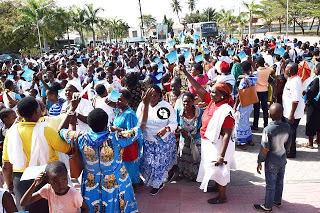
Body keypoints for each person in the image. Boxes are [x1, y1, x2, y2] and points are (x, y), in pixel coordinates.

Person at [58, 91, 150, 212]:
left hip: (91, 184)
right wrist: (146, 105)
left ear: (89, 124)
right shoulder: (117, 138)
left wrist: (72, 108)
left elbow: (61, 130)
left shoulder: (80, 138)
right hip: (116, 182)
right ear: (107, 124)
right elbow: (140, 128)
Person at [2, 97, 71, 212]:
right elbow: (67, 149)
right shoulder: (46, 130)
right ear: (36, 112)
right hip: (46, 178)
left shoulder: (11, 132)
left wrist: (10, 186)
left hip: (21, 180)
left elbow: (6, 165)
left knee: (25, 209)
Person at [181, 66, 236, 204]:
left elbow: (227, 135)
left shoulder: (226, 111)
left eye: (213, 93)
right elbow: (199, 89)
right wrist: (187, 73)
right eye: (210, 92)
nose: (210, 94)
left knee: (220, 169)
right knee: (213, 168)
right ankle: (217, 186)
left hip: (218, 145)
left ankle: (222, 197)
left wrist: (221, 155)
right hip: (209, 142)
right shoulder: (214, 101)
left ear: (222, 96)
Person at [137, 84, 178, 195]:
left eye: (154, 96)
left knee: (158, 165)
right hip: (148, 140)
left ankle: (158, 184)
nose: (152, 99)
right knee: (149, 164)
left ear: (159, 95)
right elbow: (138, 123)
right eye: (149, 96)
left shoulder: (166, 106)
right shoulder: (142, 105)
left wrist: (166, 128)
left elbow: (174, 122)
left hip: (162, 141)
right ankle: (154, 181)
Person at [254, 103, 291, 212]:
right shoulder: (287, 126)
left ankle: (267, 206)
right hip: (282, 159)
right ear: (282, 114)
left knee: (270, 184)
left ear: (269, 115)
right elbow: (289, 143)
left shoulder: (268, 130)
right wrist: (285, 152)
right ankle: (277, 201)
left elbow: (265, 148)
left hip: (271, 161)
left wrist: (259, 161)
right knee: (280, 181)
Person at [20, 161, 89, 213]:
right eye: (55, 183)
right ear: (48, 181)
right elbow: (24, 203)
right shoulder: (48, 189)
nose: (61, 185)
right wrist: (34, 184)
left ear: (67, 176)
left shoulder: (74, 194)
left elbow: (85, 208)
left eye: (64, 180)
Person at [111, 88, 142, 192]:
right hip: (121, 145)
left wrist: (116, 129)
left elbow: (132, 132)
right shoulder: (119, 111)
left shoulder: (129, 114)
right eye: (117, 99)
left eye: (120, 99)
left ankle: (136, 185)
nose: (117, 102)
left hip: (129, 145)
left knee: (131, 167)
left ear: (127, 100)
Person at [175, 92, 203, 181]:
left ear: (193, 101)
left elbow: (203, 126)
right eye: (184, 102)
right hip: (184, 137)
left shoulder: (199, 112)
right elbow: (175, 124)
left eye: (188, 101)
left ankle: (195, 175)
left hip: (196, 138)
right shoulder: (179, 111)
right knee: (184, 156)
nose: (186, 104)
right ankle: (184, 173)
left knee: (196, 156)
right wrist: (182, 130)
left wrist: (195, 133)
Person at [282, 62, 305, 158]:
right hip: (288, 111)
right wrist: (283, 67)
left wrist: (291, 115)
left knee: (291, 132)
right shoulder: (291, 78)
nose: (285, 70)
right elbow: (286, 76)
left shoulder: (295, 82)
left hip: (293, 113)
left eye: (287, 68)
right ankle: (288, 149)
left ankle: (291, 152)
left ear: (290, 71)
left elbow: (295, 100)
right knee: (289, 131)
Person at [234, 61, 257, 150]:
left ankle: (243, 142)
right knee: (246, 121)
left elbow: (238, 96)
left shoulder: (244, 80)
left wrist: (235, 107)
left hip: (243, 103)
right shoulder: (254, 78)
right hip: (250, 102)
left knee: (240, 122)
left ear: (242, 69)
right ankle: (249, 139)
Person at [252, 57, 274, 130]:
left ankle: (255, 125)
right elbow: (273, 69)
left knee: (256, 109)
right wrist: (267, 66)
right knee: (265, 109)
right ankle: (266, 124)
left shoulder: (256, 72)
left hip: (257, 91)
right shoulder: (268, 70)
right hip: (265, 90)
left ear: (257, 64)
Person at [304, 63, 320, 148]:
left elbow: (312, 92)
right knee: (319, 123)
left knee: (311, 122)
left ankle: (310, 144)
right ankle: (318, 140)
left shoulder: (317, 80)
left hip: (314, 104)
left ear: (317, 70)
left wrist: (305, 92)